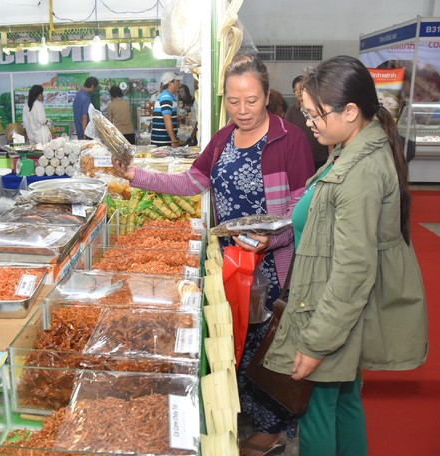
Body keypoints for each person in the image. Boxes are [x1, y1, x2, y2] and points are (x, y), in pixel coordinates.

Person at [113, 55, 314, 455]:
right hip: (227, 262)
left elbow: (303, 206)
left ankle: (272, 430)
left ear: (266, 95)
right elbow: (191, 181)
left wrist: (270, 240)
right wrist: (135, 176)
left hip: (271, 266)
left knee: (265, 344)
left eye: (252, 100)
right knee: (233, 342)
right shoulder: (222, 138)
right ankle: (242, 415)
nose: (243, 110)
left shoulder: (290, 139)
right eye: (235, 101)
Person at [264, 55, 428, 456]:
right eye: (305, 112)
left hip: (331, 312)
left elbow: (354, 268)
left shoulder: (360, 170)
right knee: (345, 401)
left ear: (351, 111)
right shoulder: (349, 148)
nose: (309, 123)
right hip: (336, 308)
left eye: (315, 114)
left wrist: (316, 343)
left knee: (317, 410)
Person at [285, 75, 330, 169]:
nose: (298, 92)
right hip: (300, 158)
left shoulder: (321, 108)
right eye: (295, 90)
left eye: (301, 89)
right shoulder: (291, 111)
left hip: (320, 157)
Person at [151, 71, 182, 147]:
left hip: (163, 142)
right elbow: (167, 118)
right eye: (177, 81)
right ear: (170, 83)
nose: (179, 84)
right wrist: (174, 140)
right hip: (163, 143)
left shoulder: (168, 96)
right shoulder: (166, 97)